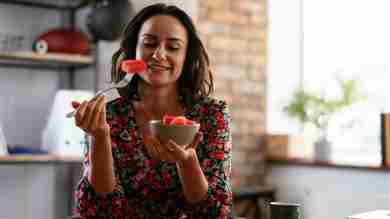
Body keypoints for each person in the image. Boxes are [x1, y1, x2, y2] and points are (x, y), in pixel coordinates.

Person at [72, 3, 233, 218]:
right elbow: (99, 211)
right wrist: (99, 136)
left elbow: (213, 213)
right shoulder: (107, 117)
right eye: (149, 43)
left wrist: (187, 163)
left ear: (187, 58)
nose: (158, 54)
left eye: (173, 47)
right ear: (134, 52)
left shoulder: (212, 116)